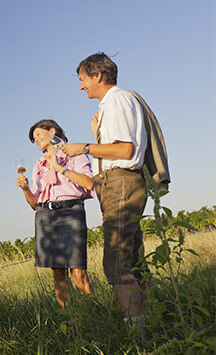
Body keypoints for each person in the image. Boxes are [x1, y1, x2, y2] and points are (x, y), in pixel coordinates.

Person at [62, 52, 149, 323]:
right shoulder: (114, 104)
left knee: (117, 262)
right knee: (135, 261)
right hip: (118, 184)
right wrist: (97, 134)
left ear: (98, 75)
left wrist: (84, 147)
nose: (80, 86)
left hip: (121, 184)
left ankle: (139, 335)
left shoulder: (117, 101)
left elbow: (124, 149)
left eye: (82, 79)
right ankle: (156, 321)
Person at [16, 119, 94, 308]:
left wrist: (60, 168)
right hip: (45, 215)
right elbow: (35, 204)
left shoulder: (73, 153)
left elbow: (89, 183)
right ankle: (67, 315)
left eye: (39, 135)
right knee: (57, 273)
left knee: (78, 271)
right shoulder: (39, 165)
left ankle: (92, 313)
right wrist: (26, 189)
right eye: (34, 139)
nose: (36, 140)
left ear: (52, 131)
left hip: (71, 211)